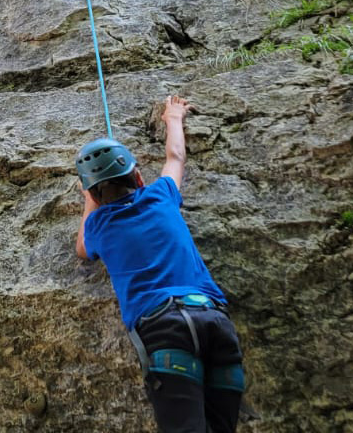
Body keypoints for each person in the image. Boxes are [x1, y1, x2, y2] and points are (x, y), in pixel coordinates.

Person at [75, 96, 245, 433]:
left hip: (164, 330)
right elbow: (175, 157)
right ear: (139, 178)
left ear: (93, 196)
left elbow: (82, 249)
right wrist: (173, 117)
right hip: (213, 319)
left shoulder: (98, 226)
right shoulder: (161, 194)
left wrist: (88, 201)